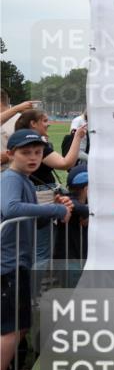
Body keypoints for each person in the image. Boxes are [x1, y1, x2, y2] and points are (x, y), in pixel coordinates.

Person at [1, 129, 73, 370]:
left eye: (38, 153)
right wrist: (54, 212)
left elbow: (32, 221)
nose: (33, 158)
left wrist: (59, 207)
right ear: (11, 154)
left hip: (16, 262)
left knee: (17, 328)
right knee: (11, 330)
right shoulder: (11, 178)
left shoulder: (25, 180)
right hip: (7, 264)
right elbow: (10, 209)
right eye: (26, 152)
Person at [13, 110, 86, 263]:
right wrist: (77, 137)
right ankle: (36, 285)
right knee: (41, 252)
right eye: (45, 120)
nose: (49, 123)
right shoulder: (36, 144)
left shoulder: (25, 142)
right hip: (43, 196)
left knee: (37, 249)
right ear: (33, 124)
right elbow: (65, 163)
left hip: (36, 194)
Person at [53, 163, 89, 266]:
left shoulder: (76, 203)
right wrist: (86, 214)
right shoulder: (68, 202)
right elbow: (74, 204)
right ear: (87, 189)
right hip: (69, 262)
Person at [0, 92, 37, 172]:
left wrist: (9, 155)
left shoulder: (21, 119)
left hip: (15, 173)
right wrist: (18, 108)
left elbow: (36, 146)